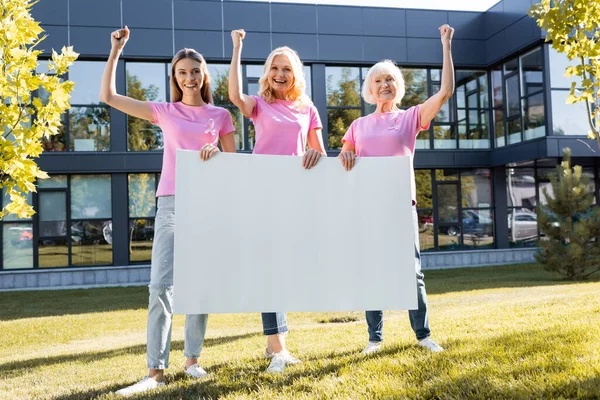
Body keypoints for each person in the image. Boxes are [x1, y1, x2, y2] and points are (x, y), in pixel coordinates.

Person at [100, 26, 236, 396]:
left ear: (204, 75)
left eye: (195, 71)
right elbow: (108, 96)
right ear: (174, 78)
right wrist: (116, 50)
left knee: (199, 287)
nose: (189, 78)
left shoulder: (221, 116)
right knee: (161, 285)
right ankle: (155, 371)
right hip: (172, 202)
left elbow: (233, 165)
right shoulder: (165, 111)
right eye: (181, 72)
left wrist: (217, 156)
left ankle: (193, 361)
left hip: (207, 204)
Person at [338, 24, 456, 355]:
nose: (384, 84)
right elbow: (345, 157)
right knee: (371, 273)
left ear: (397, 86)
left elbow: (445, 91)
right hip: (366, 207)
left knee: (411, 273)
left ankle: (423, 335)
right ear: (370, 89)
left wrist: (445, 46)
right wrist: (346, 152)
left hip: (400, 206)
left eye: (390, 79)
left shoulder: (409, 118)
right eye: (378, 80)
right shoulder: (358, 125)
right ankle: (375, 339)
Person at [228, 29, 327, 373]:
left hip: (294, 195)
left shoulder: (307, 108)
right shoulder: (261, 105)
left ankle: (275, 346)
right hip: (262, 192)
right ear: (267, 72)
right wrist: (238, 49)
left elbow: (319, 152)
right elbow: (235, 96)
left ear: (295, 73)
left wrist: (314, 156)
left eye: (286, 69)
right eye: (274, 68)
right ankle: (278, 347)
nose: (280, 74)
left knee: (281, 271)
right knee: (269, 268)